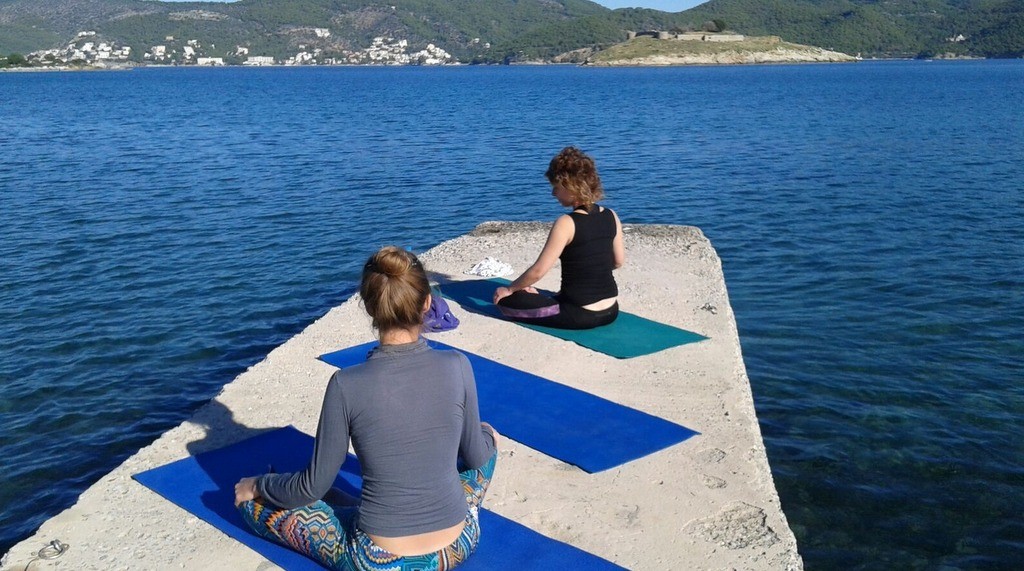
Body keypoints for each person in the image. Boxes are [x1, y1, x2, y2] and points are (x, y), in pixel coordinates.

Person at [234, 246, 498, 571]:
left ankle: (267, 494)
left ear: (370, 309)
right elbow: (477, 458)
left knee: (257, 505)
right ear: (427, 303)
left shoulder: (346, 384)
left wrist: (258, 484)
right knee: (488, 446)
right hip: (457, 543)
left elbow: (310, 486)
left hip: (379, 560)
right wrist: (487, 436)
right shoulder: (458, 365)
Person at [492, 146, 625, 330]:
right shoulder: (612, 215)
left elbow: (538, 271)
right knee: (532, 293)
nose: (553, 194)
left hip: (580, 315)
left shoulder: (566, 223)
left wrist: (509, 289)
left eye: (556, 187)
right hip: (611, 310)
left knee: (506, 301)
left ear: (571, 186)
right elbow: (618, 262)